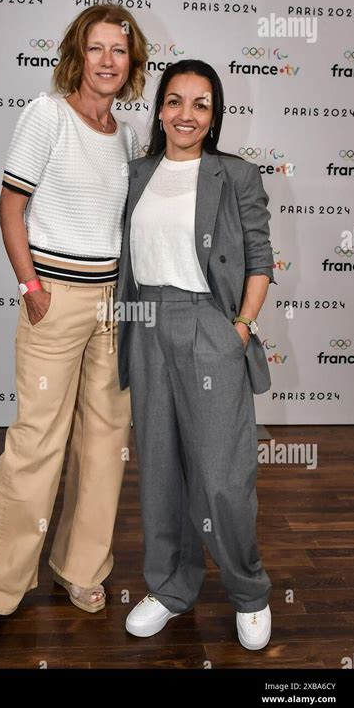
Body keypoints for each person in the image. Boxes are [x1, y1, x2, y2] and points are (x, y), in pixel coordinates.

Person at [0, 4, 147, 645]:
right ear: (77, 53)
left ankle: (81, 567)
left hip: (112, 305)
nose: (106, 61)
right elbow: (11, 207)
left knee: (104, 443)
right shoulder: (45, 115)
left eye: (118, 51)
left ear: (132, 62)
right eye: (96, 49)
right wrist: (30, 285)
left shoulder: (125, 135)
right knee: (36, 444)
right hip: (54, 299)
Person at [116, 59, 275, 650]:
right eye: (175, 101)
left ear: (214, 116)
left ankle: (249, 591)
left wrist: (238, 328)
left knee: (222, 475)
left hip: (209, 323)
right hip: (146, 324)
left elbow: (259, 258)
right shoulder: (136, 173)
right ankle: (171, 587)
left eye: (201, 104)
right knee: (158, 468)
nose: (186, 114)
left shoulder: (234, 175)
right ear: (159, 110)